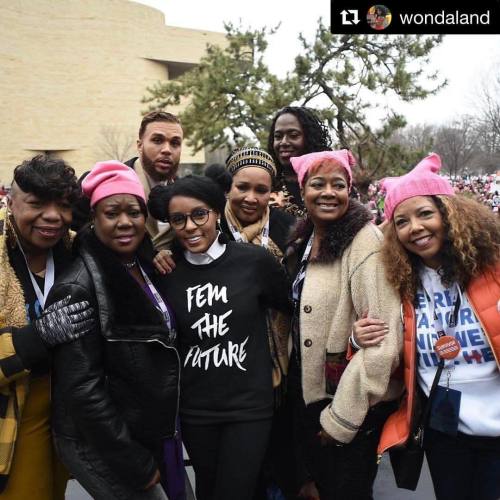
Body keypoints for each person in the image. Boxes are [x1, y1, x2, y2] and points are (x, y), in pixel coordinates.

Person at [352, 153, 500, 500]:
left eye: (425, 214)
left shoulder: (493, 268)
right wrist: (356, 339)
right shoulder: (398, 282)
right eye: (401, 221)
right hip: (443, 431)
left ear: (450, 214)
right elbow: (378, 339)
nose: (414, 227)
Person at [147, 175, 292, 500]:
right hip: (196, 410)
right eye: (178, 219)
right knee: (209, 491)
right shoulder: (166, 272)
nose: (190, 226)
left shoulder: (254, 261)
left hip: (249, 408)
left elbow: (292, 310)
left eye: (199, 214)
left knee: (235, 491)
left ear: (216, 213)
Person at [47, 161, 181, 500]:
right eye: (112, 213)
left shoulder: (145, 263)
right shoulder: (78, 286)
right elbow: (83, 390)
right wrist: (132, 460)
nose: (125, 222)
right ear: (94, 218)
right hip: (100, 441)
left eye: (134, 212)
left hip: (144, 429)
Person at [285, 150, 402, 499]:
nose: (328, 193)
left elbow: (383, 341)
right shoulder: (303, 240)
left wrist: (342, 420)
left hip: (344, 405)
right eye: (317, 184)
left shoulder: (364, 241)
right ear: (303, 190)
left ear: (349, 191)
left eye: (339, 185)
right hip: (307, 398)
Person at [0, 155, 94, 499]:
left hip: (69, 419)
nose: (53, 216)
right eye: (37, 204)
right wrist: (35, 338)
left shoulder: (76, 249)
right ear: (10, 202)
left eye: (63, 205)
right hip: (14, 420)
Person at [72, 111, 183, 250]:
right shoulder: (101, 183)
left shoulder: (185, 194)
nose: (167, 150)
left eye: (175, 143)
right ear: (139, 145)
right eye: (157, 140)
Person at [267, 106, 332, 217]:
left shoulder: (333, 183)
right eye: (278, 137)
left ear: (310, 138)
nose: (283, 142)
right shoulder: (266, 185)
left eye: (293, 135)